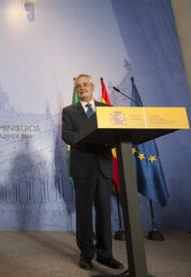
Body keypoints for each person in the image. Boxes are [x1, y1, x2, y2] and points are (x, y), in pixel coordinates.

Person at [61, 74, 123, 270]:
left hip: (103, 166)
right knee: (84, 212)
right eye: (78, 86)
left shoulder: (106, 109)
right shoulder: (69, 111)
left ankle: (105, 254)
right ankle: (86, 254)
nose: (81, 88)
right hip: (82, 167)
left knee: (105, 211)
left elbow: (116, 132)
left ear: (93, 87)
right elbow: (67, 135)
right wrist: (87, 138)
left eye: (85, 84)